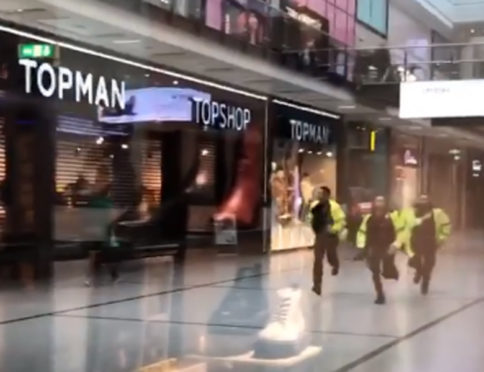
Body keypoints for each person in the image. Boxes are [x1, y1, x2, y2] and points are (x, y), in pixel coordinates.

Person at [357, 196, 401, 305]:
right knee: (375, 271)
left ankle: (392, 272)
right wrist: (362, 247)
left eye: (381, 201)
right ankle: (380, 294)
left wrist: (396, 244)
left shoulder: (393, 216)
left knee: (387, 270)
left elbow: (400, 231)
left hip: (388, 246)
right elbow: (362, 232)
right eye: (377, 201)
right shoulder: (368, 218)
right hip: (373, 247)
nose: (379, 204)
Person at [407, 195, 451, 295]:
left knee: (429, 264)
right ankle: (418, 272)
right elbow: (405, 226)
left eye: (425, 200)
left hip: (430, 242)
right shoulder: (411, 213)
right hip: (415, 241)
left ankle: (425, 282)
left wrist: (442, 238)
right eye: (421, 200)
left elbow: (446, 226)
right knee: (415, 260)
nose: (423, 202)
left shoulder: (438, 213)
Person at [310, 186, 346, 296]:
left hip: (331, 237)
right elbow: (310, 217)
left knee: (331, 256)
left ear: (327, 195)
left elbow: (342, 221)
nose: (318, 195)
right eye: (318, 193)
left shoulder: (334, 207)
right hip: (320, 236)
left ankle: (335, 265)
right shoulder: (314, 206)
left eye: (321, 193)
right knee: (317, 260)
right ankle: (317, 284)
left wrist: (334, 229)